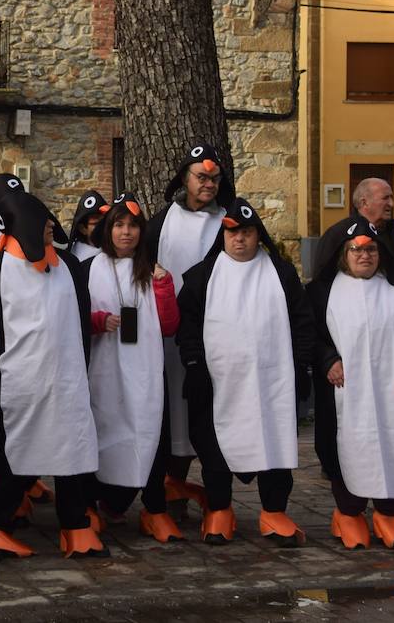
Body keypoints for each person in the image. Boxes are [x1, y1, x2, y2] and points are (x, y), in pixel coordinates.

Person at [0, 191, 106, 564]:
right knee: (16, 454)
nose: (50, 227)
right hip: (22, 382)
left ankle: (75, 526)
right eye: (42, 222)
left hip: (67, 379)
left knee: (72, 450)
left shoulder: (70, 267)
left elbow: (80, 320)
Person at [175, 198, 315, 547]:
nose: (240, 240)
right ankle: (220, 509)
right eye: (233, 233)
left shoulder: (281, 274)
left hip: (271, 382)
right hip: (218, 382)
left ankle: (274, 511)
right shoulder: (202, 277)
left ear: (258, 236)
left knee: (273, 441)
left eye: (248, 233)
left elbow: (303, 322)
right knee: (215, 445)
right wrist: (194, 364)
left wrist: (299, 365)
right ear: (223, 236)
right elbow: (187, 327)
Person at [308, 217, 394, 550]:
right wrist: (328, 359)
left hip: (392, 395)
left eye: (371, 249)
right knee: (346, 448)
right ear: (343, 254)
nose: (365, 255)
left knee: (393, 447)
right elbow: (311, 336)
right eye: (356, 250)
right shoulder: (323, 293)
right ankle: (349, 513)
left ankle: (388, 513)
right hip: (345, 393)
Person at [81, 193, 183, 542]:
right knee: (101, 431)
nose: (126, 233)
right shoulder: (88, 270)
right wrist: (96, 321)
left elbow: (169, 326)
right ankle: (91, 503)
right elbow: (73, 318)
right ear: (108, 229)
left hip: (143, 371)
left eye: (133, 226)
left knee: (147, 431)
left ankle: (154, 509)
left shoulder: (153, 271)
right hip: (103, 369)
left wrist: (164, 286)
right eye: (119, 225)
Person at [145, 143, 235, 515]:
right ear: (185, 178)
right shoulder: (162, 221)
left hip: (217, 333)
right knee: (173, 411)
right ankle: (172, 487)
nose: (209, 184)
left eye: (214, 178)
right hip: (169, 336)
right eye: (201, 177)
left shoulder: (231, 220)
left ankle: (217, 494)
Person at [316, 178, 394, 281]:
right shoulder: (338, 235)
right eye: (385, 198)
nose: (391, 204)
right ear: (364, 202)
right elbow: (321, 281)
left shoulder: (393, 236)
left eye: (391, 198)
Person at [68, 190, 109, 262]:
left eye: (106, 221)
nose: (103, 227)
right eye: (96, 224)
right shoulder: (74, 261)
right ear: (82, 229)